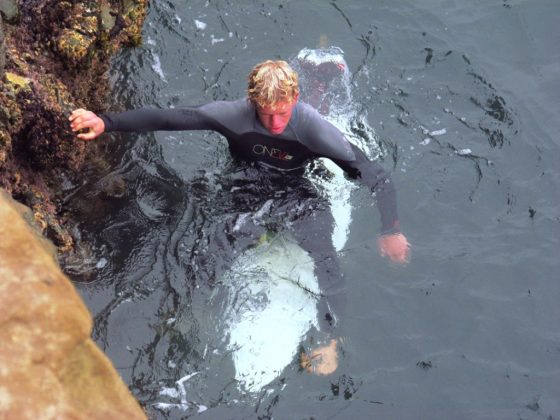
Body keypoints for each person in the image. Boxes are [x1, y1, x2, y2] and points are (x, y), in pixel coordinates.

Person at [69, 60, 410, 375]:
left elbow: (374, 175)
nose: (276, 124)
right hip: (245, 188)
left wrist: (390, 229)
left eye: (283, 113)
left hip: (297, 191)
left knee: (324, 253)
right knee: (209, 251)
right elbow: (170, 118)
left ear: (295, 98)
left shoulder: (314, 130)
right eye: (266, 113)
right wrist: (107, 122)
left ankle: (332, 337)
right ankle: (186, 318)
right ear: (251, 102)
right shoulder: (232, 115)